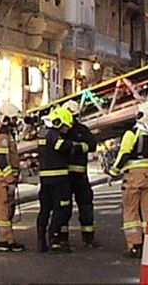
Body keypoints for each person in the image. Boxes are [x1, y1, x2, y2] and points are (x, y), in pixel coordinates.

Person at [109, 101, 148, 258]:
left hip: (133, 174)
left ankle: (135, 244)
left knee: (130, 211)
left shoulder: (132, 133)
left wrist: (114, 171)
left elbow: (124, 154)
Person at [0, 103, 25, 252]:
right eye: (14, 119)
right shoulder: (3, 135)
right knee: (4, 211)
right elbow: (1, 157)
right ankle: (5, 241)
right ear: (8, 119)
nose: (16, 122)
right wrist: (10, 178)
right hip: (2, 179)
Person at [36, 106, 75, 252]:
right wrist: (73, 145)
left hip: (45, 178)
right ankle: (54, 238)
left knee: (45, 209)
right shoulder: (53, 134)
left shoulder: (42, 133)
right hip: (59, 178)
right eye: (66, 126)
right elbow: (61, 146)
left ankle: (41, 240)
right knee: (61, 208)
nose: (67, 129)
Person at [64, 99, 98, 247]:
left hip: (79, 176)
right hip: (64, 176)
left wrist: (77, 147)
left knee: (85, 205)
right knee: (64, 207)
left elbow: (92, 145)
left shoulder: (82, 130)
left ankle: (88, 237)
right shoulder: (58, 131)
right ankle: (61, 237)